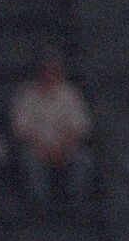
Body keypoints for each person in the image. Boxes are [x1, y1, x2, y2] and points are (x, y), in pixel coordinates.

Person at [10, 52, 93, 207]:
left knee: (83, 158)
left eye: (54, 69)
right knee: (29, 159)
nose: (49, 73)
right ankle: (40, 203)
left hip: (65, 147)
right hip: (37, 148)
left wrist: (62, 148)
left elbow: (80, 127)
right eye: (46, 69)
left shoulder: (70, 94)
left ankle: (75, 202)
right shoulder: (26, 95)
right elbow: (21, 129)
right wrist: (44, 149)